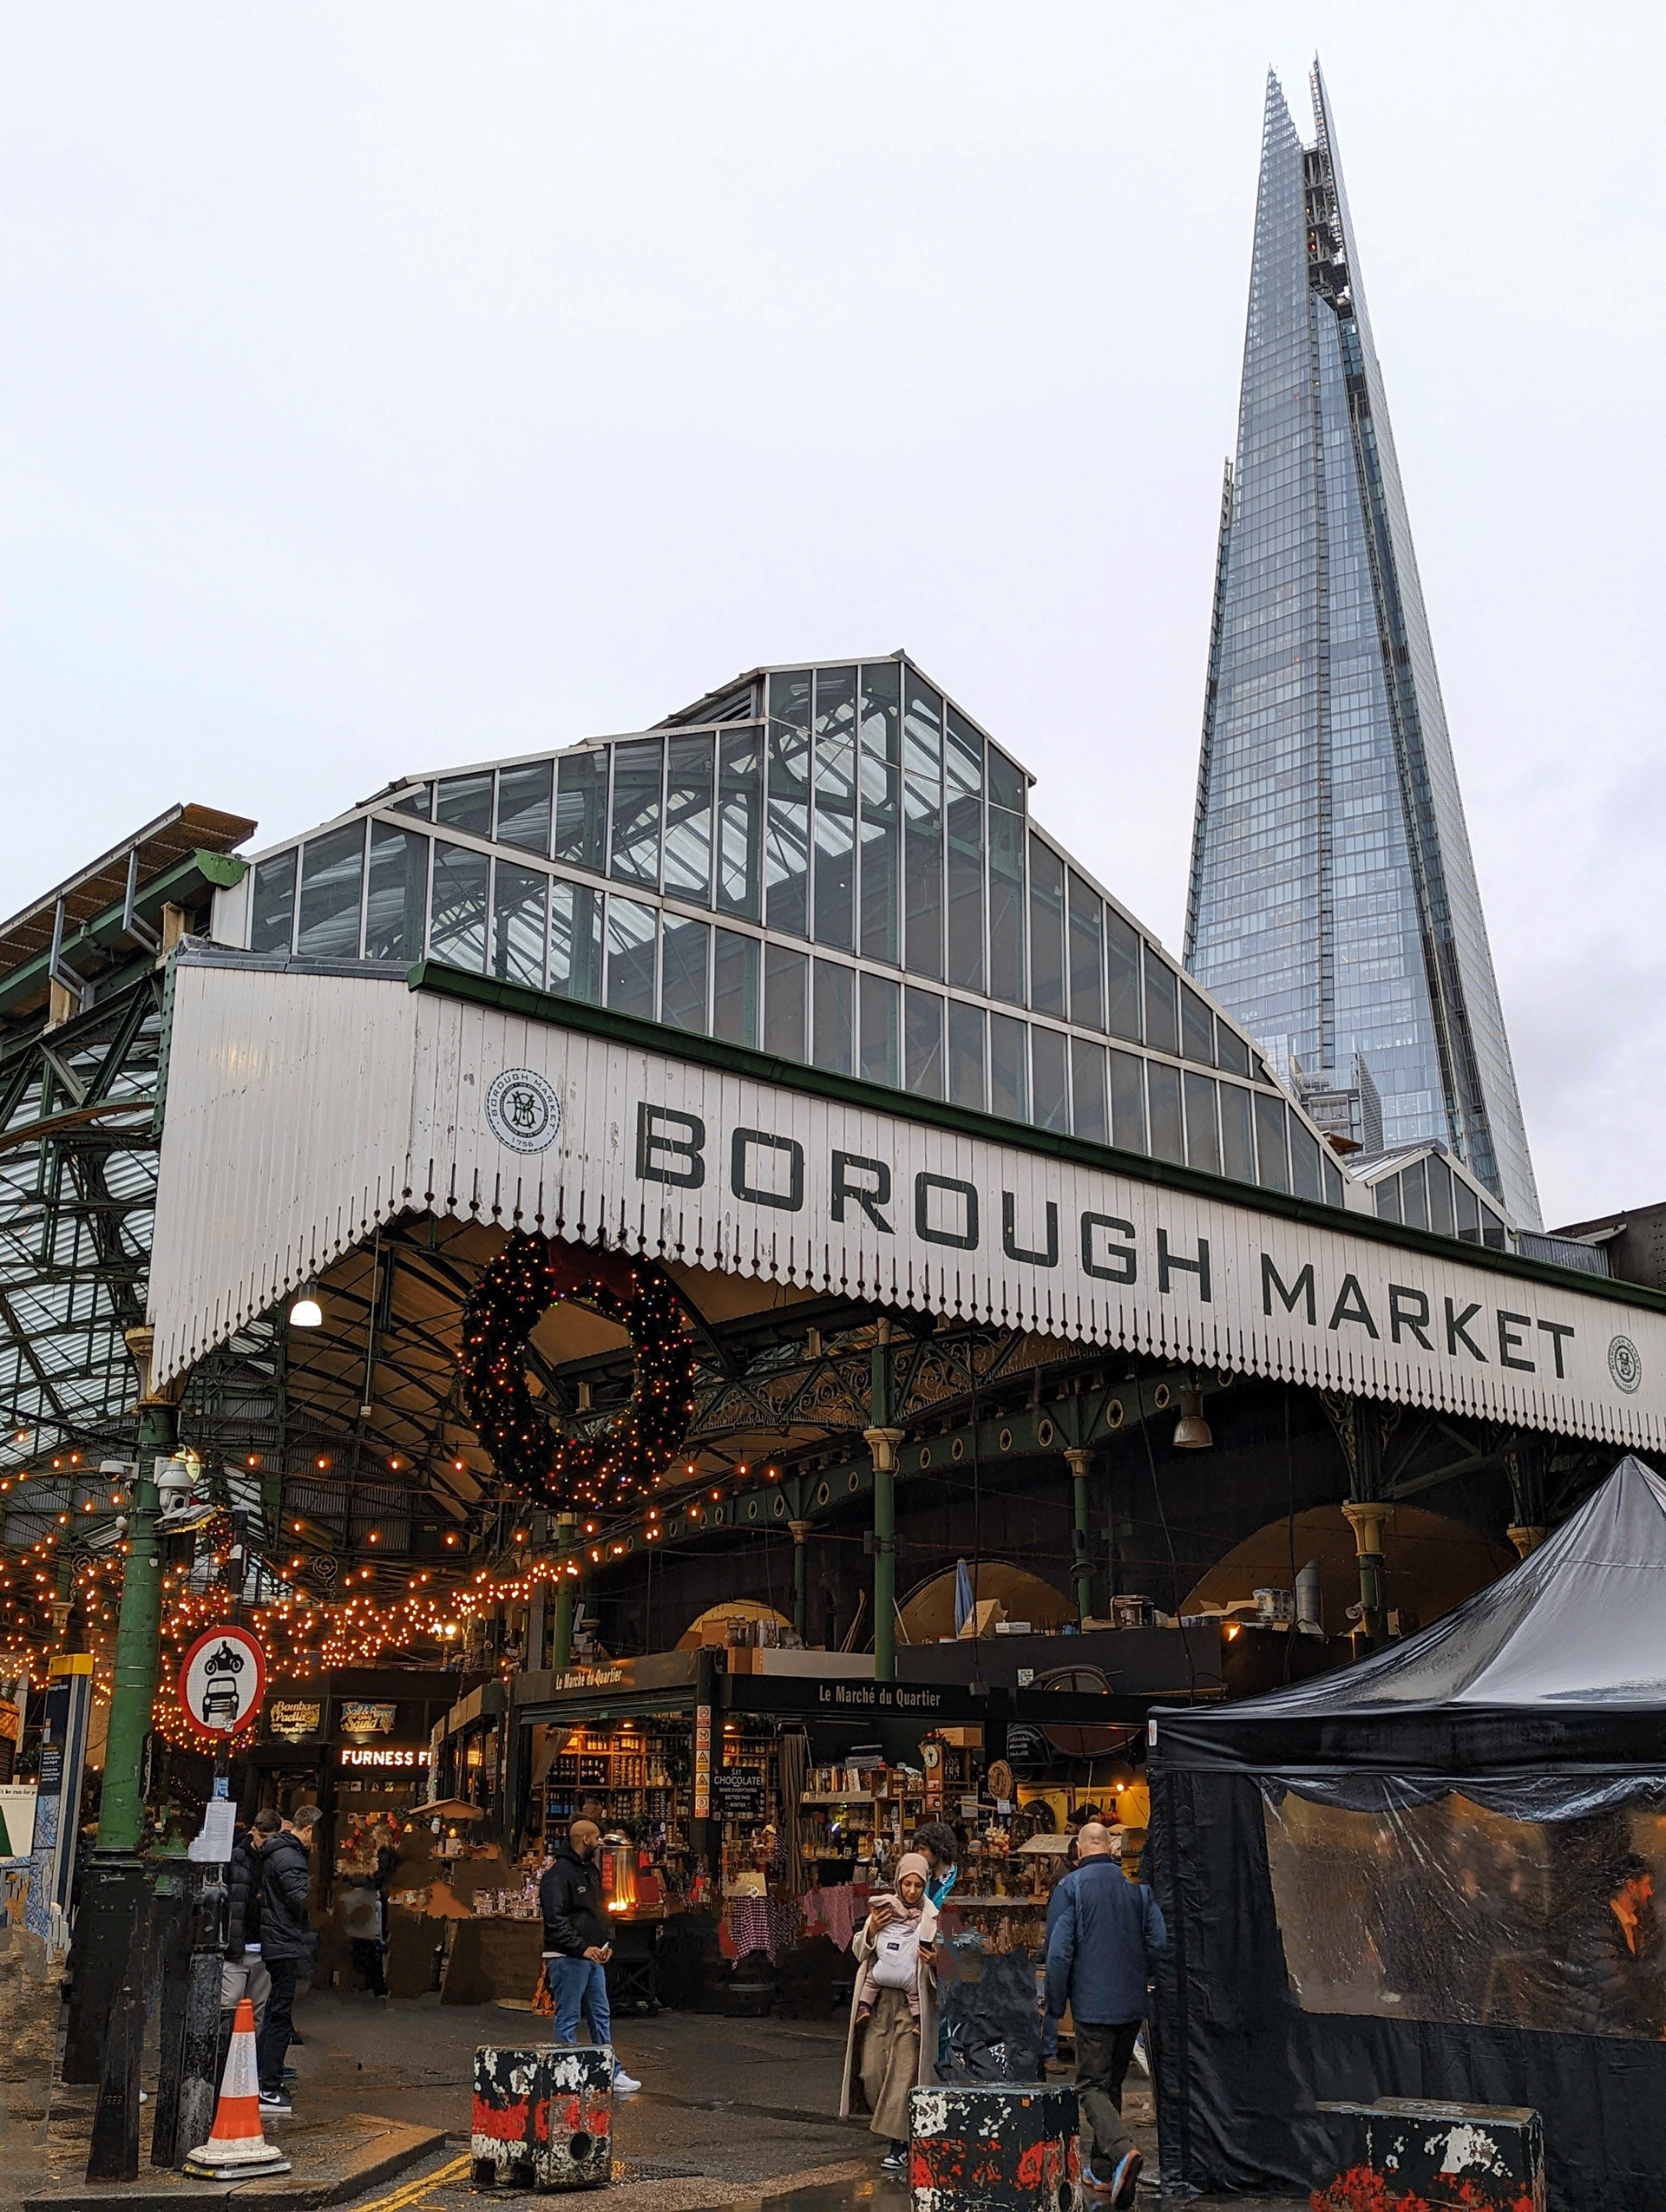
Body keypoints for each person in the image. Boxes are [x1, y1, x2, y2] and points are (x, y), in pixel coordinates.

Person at [1046, 1821, 1165, 2207]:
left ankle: (1122, 2150)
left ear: (1079, 1851)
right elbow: (1159, 1943)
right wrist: (1138, 1973)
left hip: (1093, 2006)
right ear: (1112, 1849)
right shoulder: (1138, 1893)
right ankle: (1100, 2171)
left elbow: (1060, 1953)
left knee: (1091, 2086)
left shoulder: (1070, 1889)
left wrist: (1054, 2003)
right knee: (1111, 2083)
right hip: (1131, 2004)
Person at [840, 1851, 939, 2171]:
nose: (911, 1891)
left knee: (904, 2072)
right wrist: (870, 1932)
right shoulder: (882, 1912)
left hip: (913, 2007)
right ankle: (896, 2128)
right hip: (880, 2002)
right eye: (906, 1884)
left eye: (917, 1885)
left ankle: (900, 2143)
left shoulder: (932, 1917)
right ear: (897, 1882)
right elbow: (859, 1950)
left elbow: (948, 1961)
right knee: (872, 2070)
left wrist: (935, 1961)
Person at [539, 1818, 640, 2094]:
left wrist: (606, 1942)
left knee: (600, 2014)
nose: (600, 1843)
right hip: (569, 1956)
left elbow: (600, 1909)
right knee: (569, 2016)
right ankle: (564, 2073)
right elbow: (555, 1920)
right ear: (585, 1839)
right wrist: (581, 1947)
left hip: (591, 1955)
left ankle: (610, 2071)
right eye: (596, 1838)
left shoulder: (589, 1871)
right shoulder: (559, 1875)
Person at [255, 1804, 321, 2116]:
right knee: (279, 2014)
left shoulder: (278, 1852)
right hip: (284, 1941)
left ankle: (267, 2073)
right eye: (315, 1835)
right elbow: (300, 1900)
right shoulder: (291, 1857)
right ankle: (268, 2086)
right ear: (307, 1830)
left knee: (275, 2011)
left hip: (277, 1938)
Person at [1565, 1853, 1664, 2038]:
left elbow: (1644, 1975)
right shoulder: (1595, 1925)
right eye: (1647, 1885)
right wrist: (1653, 2024)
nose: (1650, 1892)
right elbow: (1614, 1986)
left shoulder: (1635, 1924)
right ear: (1631, 1886)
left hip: (1620, 2019)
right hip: (1596, 2026)